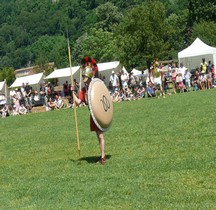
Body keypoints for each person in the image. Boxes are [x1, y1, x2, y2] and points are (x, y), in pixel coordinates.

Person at [72, 64, 106, 165]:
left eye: (85, 77)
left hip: (99, 113)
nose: (83, 79)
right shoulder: (83, 90)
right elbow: (78, 102)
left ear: (89, 77)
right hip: (92, 115)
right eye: (83, 77)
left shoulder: (96, 86)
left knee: (100, 136)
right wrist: (72, 92)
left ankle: (103, 157)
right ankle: (102, 156)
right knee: (99, 136)